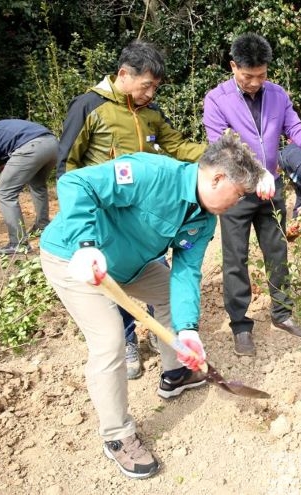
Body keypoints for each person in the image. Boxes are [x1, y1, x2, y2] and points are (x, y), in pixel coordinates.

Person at [39, 132, 262, 479]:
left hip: (130, 266)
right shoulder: (150, 173)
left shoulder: (203, 221)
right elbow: (77, 183)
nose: (238, 203)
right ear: (217, 178)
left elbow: (186, 274)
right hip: (75, 259)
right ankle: (117, 436)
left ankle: (176, 373)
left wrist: (188, 331)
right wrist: (85, 245)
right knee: (109, 340)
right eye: (239, 194)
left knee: (170, 296)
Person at [58, 39, 207, 379]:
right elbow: (67, 163)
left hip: (148, 216)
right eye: (147, 85)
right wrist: (74, 219)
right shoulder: (90, 106)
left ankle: (160, 334)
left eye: (155, 87)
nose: (151, 93)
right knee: (114, 282)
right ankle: (127, 340)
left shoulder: (152, 113)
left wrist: (218, 154)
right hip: (107, 218)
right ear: (124, 74)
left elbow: (179, 146)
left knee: (158, 273)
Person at [202, 33, 301, 357]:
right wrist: (255, 172)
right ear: (233, 67)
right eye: (248, 76)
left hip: (271, 189)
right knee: (235, 258)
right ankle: (240, 325)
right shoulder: (217, 100)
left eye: (261, 75)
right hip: (236, 192)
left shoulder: (277, 95)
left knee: (277, 252)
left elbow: (294, 127)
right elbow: (222, 147)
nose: (255, 82)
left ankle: (282, 313)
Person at [0, 119, 58, 255]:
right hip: (52, 144)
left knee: (5, 193)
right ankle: (42, 226)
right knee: (38, 186)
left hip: (31, 146)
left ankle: (18, 243)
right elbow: (5, 152)